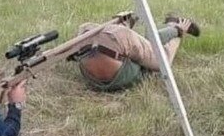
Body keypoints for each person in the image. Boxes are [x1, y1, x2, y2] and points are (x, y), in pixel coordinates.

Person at [71, 14, 201, 92]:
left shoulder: (87, 30)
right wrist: (178, 32)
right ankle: (178, 30)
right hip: (117, 64)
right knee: (161, 58)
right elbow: (160, 60)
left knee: (147, 43)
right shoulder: (139, 70)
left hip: (90, 68)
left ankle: (173, 27)